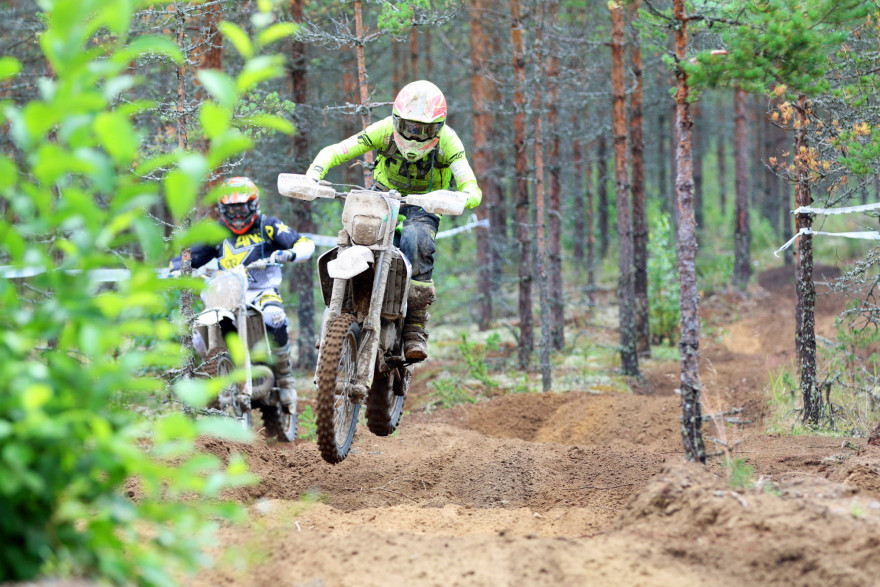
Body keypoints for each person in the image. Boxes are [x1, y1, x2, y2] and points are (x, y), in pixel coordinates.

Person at [305, 80, 482, 361]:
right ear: (397, 120)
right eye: (410, 127)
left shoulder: (448, 141)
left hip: (424, 204)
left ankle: (415, 326)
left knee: (417, 240)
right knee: (356, 233)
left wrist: (459, 199)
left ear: (438, 127)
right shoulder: (384, 131)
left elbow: (472, 188)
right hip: (383, 198)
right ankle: (338, 313)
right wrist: (313, 176)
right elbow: (337, 150)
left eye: (424, 130)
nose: (415, 137)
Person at [169, 176, 315, 410]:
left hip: (262, 290)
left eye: (241, 208)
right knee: (196, 334)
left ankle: (286, 376)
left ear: (253, 205)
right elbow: (188, 258)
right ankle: (196, 384)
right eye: (231, 209)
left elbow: (303, 242)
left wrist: (291, 253)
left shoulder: (267, 225)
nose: (237, 214)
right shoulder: (215, 232)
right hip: (225, 294)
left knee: (274, 317)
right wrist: (177, 270)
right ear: (222, 209)